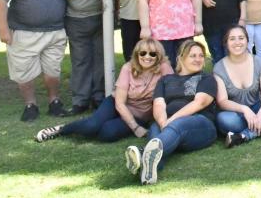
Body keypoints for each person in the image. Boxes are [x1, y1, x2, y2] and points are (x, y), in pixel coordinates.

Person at [35, 39, 173, 143]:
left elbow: (173, 91)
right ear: (137, 55)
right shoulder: (128, 68)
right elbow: (120, 103)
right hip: (116, 105)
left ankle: (98, 125)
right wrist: (135, 128)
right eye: (142, 53)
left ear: (158, 56)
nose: (147, 57)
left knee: (107, 134)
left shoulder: (164, 69)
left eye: (152, 54)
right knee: (92, 125)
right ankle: (62, 129)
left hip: (140, 115)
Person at [125, 40, 217, 185]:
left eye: (201, 56)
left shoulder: (207, 78)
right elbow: (159, 104)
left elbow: (199, 102)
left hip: (200, 125)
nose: (198, 59)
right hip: (167, 125)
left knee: (177, 125)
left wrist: (171, 120)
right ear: (180, 58)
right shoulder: (165, 80)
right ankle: (149, 170)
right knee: (155, 131)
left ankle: (142, 153)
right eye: (193, 55)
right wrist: (163, 122)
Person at [214, 26, 261, 147]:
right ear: (226, 43)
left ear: (247, 41)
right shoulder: (219, 68)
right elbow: (222, 101)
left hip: (257, 108)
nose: (237, 42)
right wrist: (244, 109)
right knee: (224, 120)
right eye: (232, 39)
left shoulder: (259, 62)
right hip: (235, 114)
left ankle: (243, 136)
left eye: (241, 38)